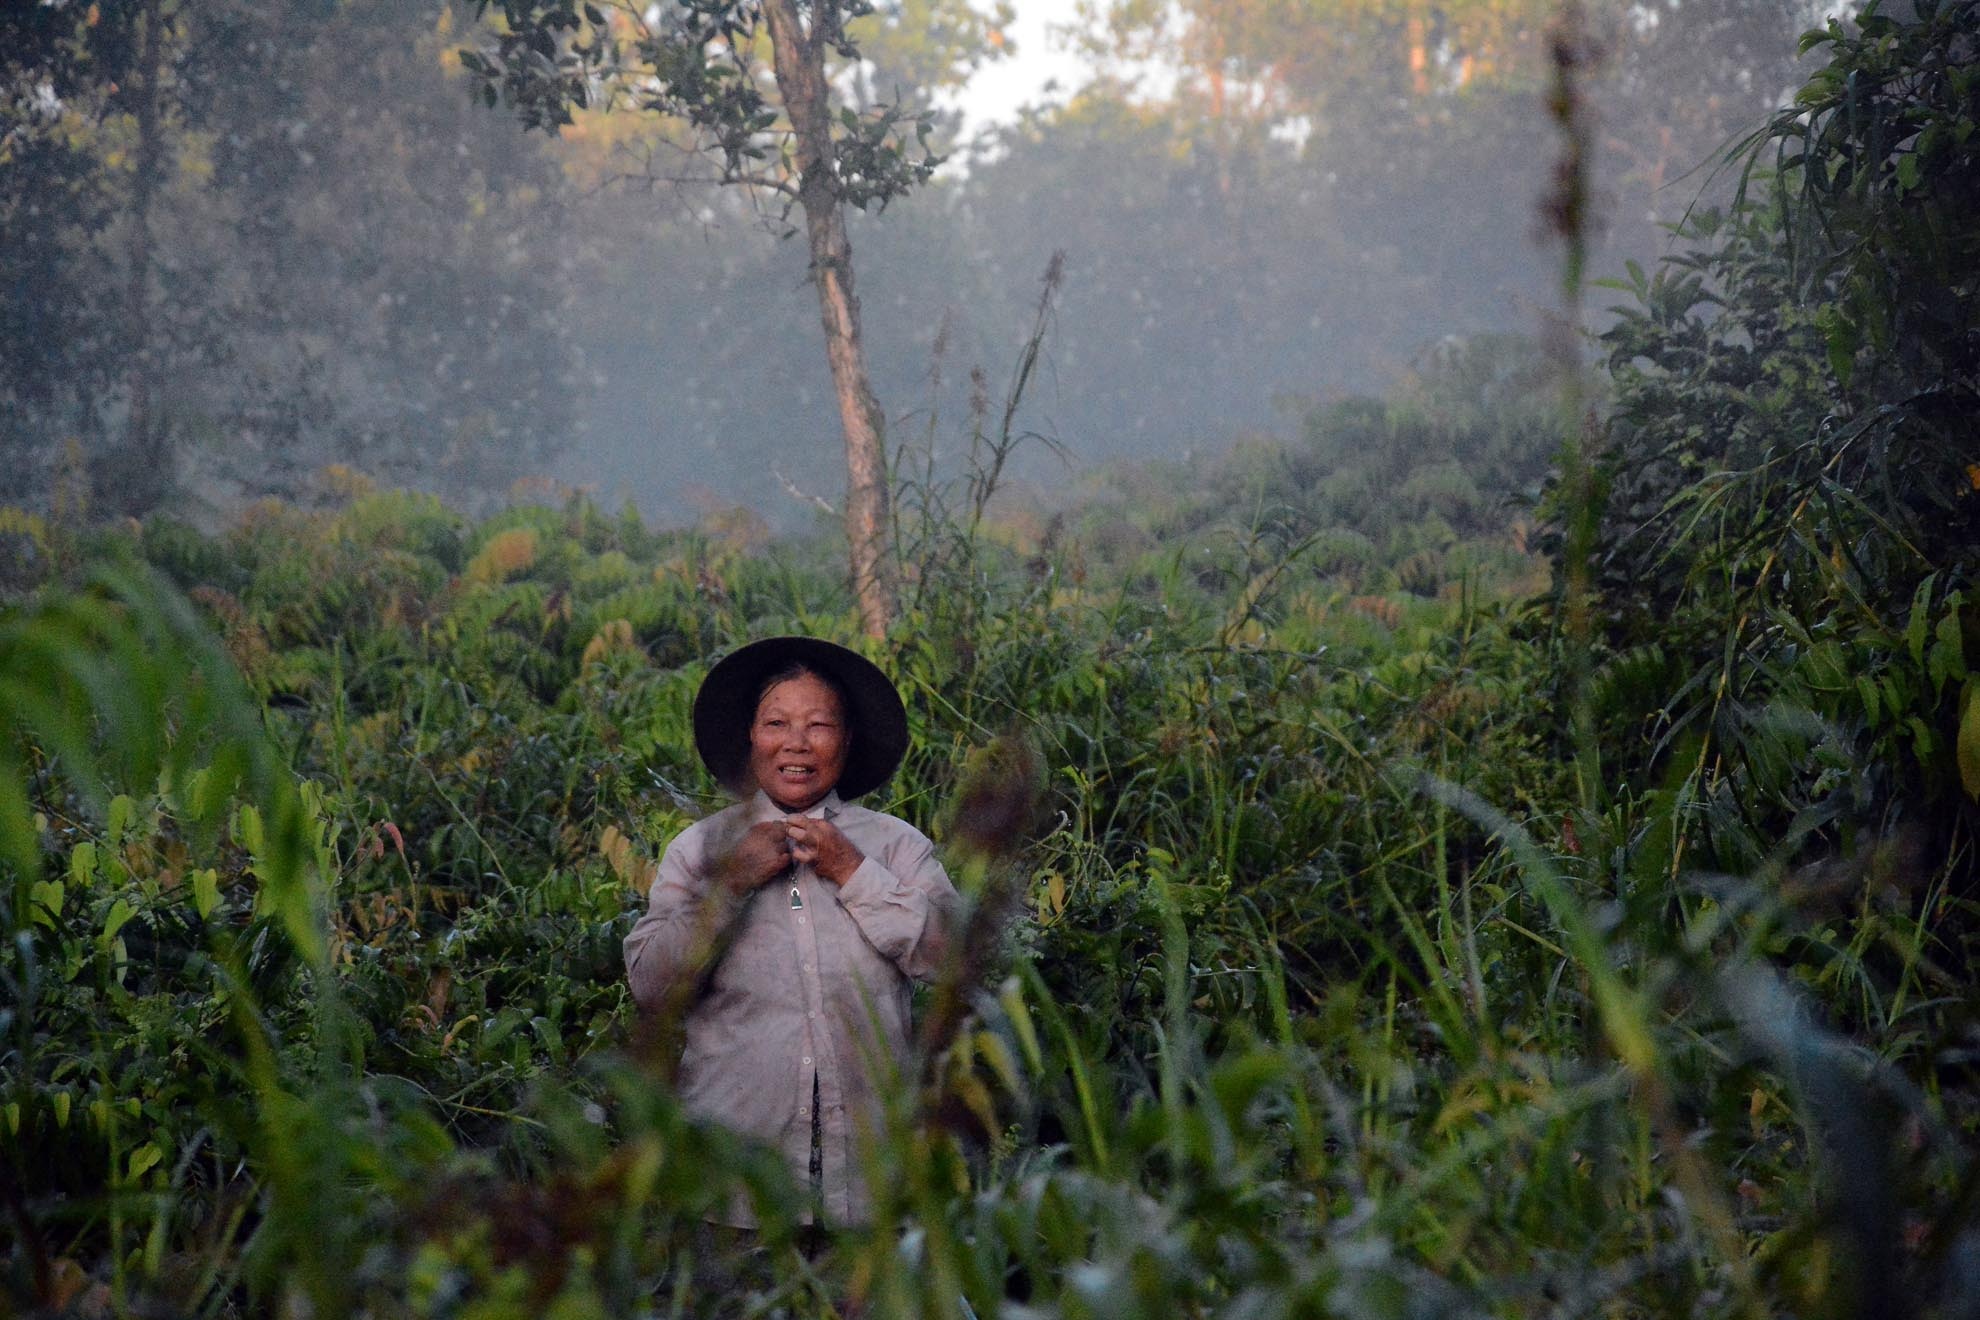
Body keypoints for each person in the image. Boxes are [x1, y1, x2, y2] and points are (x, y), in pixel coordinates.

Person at [624, 636, 958, 1228]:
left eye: (819, 724)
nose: (797, 743)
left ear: (846, 740)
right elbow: (652, 987)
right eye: (776, 722)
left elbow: (954, 963)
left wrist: (852, 871)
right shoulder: (699, 849)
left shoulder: (895, 845)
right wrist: (730, 884)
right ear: (751, 737)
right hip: (734, 1191)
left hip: (871, 1190)